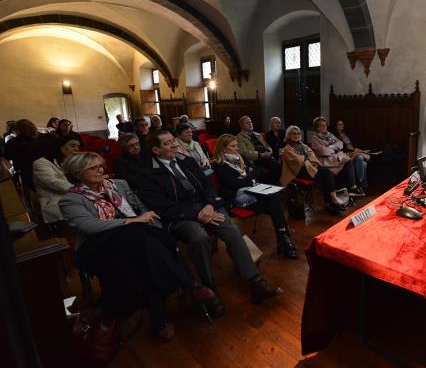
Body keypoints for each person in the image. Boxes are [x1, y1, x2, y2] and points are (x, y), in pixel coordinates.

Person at [59, 152, 216, 342]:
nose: (101, 169)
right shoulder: (70, 199)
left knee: (143, 251)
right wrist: (132, 221)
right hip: (99, 246)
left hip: (137, 238)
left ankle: (160, 319)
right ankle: (189, 284)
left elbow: (140, 207)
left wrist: (146, 222)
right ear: (77, 173)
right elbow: (90, 226)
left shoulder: (119, 184)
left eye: (101, 165)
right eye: (93, 167)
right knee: (143, 238)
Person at [137, 130, 283, 311]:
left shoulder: (187, 161)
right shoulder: (147, 174)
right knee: (198, 238)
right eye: (167, 144)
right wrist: (196, 213)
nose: (174, 145)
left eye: (174, 141)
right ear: (156, 150)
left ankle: (255, 283)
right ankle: (209, 288)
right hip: (180, 216)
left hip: (207, 208)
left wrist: (209, 205)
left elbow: (208, 187)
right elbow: (161, 207)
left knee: (231, 231)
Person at [211, 134, 298, 259]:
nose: (237, 148)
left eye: (236, 145)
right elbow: (233, 184)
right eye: (233, 146)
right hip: (238, 197)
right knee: (275, 202)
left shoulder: (240, 158)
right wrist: (249, 177)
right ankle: (284, 240)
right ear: (223, 149)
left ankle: (283, 240)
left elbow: (258, 171)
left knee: (275, 199)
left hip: (253, 190)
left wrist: (246, 178)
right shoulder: (218, 164)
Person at [280, 125, 347, 214]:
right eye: (293, 133)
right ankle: (333, 201)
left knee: (326, 175)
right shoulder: (287, 149)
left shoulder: (303, 145)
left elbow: (312, 157)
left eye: (298, 133)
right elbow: (298, 162)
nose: (296, 135)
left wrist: (305, 159)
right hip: (298, 172)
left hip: (310, 168)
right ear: (288, 135)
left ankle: (331, 203)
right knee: (325, 174)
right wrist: (306, 158)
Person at [32, 134, 81, 223]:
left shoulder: (72, 162)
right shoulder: (41, 163)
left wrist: (66, 177)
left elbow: (86, 181)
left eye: (78, 146)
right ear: (60, 147)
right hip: (56, 204)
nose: (76, 149)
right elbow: (61, 186)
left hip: (75, 200)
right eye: (72, 145)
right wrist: (73, 180)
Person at [310, 116, 362, 196]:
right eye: (322, 125)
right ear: (317, 128)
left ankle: (352, 187)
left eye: (325, 125)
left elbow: (340, 144)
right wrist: (334, 148)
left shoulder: (329, 134)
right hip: (327, 162)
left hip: (335, 159)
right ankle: (346, 191)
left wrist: (330, 147)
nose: (324, 127)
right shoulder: (315, 138)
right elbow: (323, 151)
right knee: (345, 161)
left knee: (348, 161)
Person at [4, 119, 57, 190]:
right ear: (34, 126)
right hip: (50, 172)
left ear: (17, 130)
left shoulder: (12, 143)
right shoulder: (49, 137)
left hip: (29, 176)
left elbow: (8, 157)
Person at [236, 116, 281, 183]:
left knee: (278, 166)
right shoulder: (239, 137)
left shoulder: (258, 135)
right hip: (255, 160)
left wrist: (269, 152)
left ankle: (274, 185)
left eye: (250, 122)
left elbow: (267, 145)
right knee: (264, 172)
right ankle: (268, 188)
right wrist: (260, 155)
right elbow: (244, 152)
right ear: (241, 125)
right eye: (247, 123)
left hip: (266, 156)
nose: (250, 124)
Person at [333, 119, 370, 193]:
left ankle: (361, 186)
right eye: (339, 124)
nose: (341, 126)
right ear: (336, 126)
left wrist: (356, 149)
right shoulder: (335, 136)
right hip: (346, 154)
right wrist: (353, 151)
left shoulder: (347, 134)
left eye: (342, 124)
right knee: (360, 159)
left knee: (363, 163)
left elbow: (353, 144)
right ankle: (362, 185)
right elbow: (341, 148)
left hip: (353, 151)